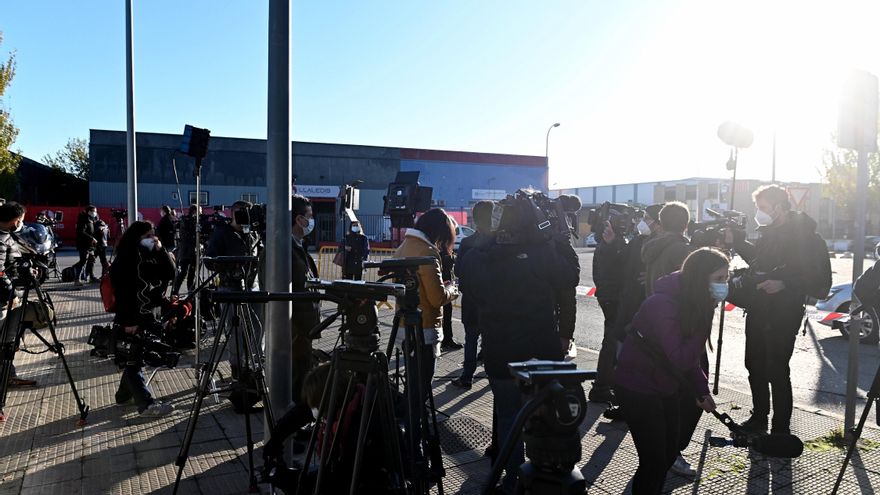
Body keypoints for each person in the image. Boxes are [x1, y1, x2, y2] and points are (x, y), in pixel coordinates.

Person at [458, 197, 579, 494]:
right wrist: (558, 237)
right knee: (547, 418)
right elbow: (571, 276)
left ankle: (511, 480)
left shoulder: (477, 258)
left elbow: (467, 282)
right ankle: (544, 477)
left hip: (501, 352)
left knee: (509, 419)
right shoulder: (542, 253)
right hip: (542, 351)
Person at [614, 248, 728, 494]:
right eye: (719, 279)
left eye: (726, 279)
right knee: (654, 460)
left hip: (664, 387)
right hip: (637, 389)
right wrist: (703, 322)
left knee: (665, 457)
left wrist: (701, 389)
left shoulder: (692, 302)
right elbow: (680, 358)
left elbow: (691, 360)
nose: (724, 285)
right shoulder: (662, 304)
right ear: (700, 277)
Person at [724, 185, 831, 435]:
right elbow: (760, 263)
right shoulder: (769, 233)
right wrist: (738, 242)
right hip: (758, 309)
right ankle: (759, 418)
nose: (758, 213)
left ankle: (780, 429)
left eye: (762, 208)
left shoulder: (808, 238)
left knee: (777, 370)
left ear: (779, 207)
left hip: (784, 313)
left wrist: (784, 284)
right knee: (754, 365)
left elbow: (821, 282)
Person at [393, 208, 459, 421]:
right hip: (425, 326)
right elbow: (436, 298)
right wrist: (453, 289)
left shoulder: (405, 246)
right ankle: (413, 432)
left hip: (404, 323)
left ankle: (407, 425)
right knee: (420, 385)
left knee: (412, 381)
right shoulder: (428, 252)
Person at [110, 221, 176, 416]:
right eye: (147, 236)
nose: (152, 239)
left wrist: (161, 250)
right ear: (137, 237)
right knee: (134, 361)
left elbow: (171, 273)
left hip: (149, 312)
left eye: (153, 235)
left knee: (135, 356)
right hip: (132, 315)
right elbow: (121, 292)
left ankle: (123, 396)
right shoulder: (125, 258)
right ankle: (146, 404)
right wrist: (128, 321)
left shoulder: (152, 254)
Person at [451, 200, 495, 389]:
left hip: (471, 299)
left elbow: (459, 270)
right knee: (492, 338)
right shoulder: (499, 242)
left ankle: (467, 376)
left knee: (470, 338)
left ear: (475, 219)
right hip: (494, 300)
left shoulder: (468, 243)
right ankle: (493, 376)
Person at [589, 220, 628, 404]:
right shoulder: (608, 246)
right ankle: (601, 387)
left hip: (609, 297)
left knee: (611, 341)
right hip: (613, 298)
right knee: (612, 342)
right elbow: (615, 269)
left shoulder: (612, 245)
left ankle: (604, 384)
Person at [0, 202, 37, 390]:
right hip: (3, 300)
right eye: (21, 220)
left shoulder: (6, 236)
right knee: (3, 340)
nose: (21, 223)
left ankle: (8, 375)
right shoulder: (1, 238)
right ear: (15, 220)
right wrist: (12, 293)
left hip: (7, 297)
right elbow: (0, 272)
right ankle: (5, 379)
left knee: (7, 340)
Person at [290, 194, 320, 404]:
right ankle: (294, 421)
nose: (311, 221)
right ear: (299, 219)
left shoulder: (298, 245)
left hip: (303, 327)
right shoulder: (284, 249)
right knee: (296, 377)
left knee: (303, 372)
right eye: (309, 216)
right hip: (294, 328)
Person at [205, 201, 260, 289]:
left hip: (253, 286)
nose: (248, 217)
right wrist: (232, 264)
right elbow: (209, 261)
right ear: (234, 214)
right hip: (229, 286)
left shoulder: (254, 235)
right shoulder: (222, 233)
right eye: (245, 213)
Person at [642, 201, 691, 296]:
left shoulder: (652, 245)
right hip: (675, 308)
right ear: (686, 225)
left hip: (655, 305)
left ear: (661, 223)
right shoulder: (682, 250)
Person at [173, 204, 200, 295]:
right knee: (184, 272)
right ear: (194, 211)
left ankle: (190, 290)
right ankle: (176, 290)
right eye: (199, 211)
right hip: (187, 250)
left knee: (191, 272)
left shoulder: (188, 220)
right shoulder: (186, 220)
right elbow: (188, 234)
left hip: (191, 250)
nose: (200, 213)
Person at [439, 247, 461, 351]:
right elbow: (446, 262)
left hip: (446, 283)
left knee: (447, 314)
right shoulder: (439, 248)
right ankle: (445, 340)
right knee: (444, 314)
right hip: (442, 285)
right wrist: (452, 258)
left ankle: (447, 339)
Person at [73, 205, 100, 285]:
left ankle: (91, 277)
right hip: (83, 244)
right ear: (89, 212)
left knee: (92, 260)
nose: (95, 213)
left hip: (90, 245)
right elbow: (81, 232)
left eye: (95, 211)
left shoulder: (91, 219)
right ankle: (77, 279)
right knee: (83, 261)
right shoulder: (83, 219)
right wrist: (91, 238)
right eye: (93, 211)